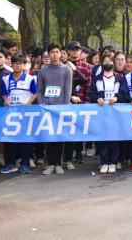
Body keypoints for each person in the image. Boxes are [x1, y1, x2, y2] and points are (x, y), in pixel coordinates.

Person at [89, 52, 130, 174]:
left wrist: (116, 98)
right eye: (105, 62)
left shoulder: (119, 78)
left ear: (114, 63)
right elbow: (91, 93)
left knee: (114, 137)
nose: (108, 63)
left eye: (110, 61)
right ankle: (104, 162)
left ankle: (113, 162)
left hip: (115, 112)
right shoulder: (97, 79)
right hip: (101, 112)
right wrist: (98, 98)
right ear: (101, 63)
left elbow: (125, 94)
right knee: (102, 138)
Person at [37, 43, 73, 175]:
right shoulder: (43, 71)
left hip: (61, 108)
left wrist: (64, 107)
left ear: (61, 54)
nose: (55, 54)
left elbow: (67, 91)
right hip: (47, 108)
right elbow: (40, 90)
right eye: (52, 52)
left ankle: (58, 163)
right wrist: (41, 103)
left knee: (59, 136)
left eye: (57, 52)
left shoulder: (66, 70)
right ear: (48, 54)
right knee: (49, 136)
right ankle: (50, 163)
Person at [0, 54, 37, 174]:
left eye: (20, 63)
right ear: (12, 64)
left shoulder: (30, 79)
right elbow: (4, 93)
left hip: (25, 113)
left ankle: (24, 164)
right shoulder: (6, 79)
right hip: (11, 114)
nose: (18, 65)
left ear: (24, 65)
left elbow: (36, 93)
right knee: (10, 139)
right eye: (15, 63)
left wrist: (28, 103)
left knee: (25, 139)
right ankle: (10, 164)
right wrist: (6, 100)